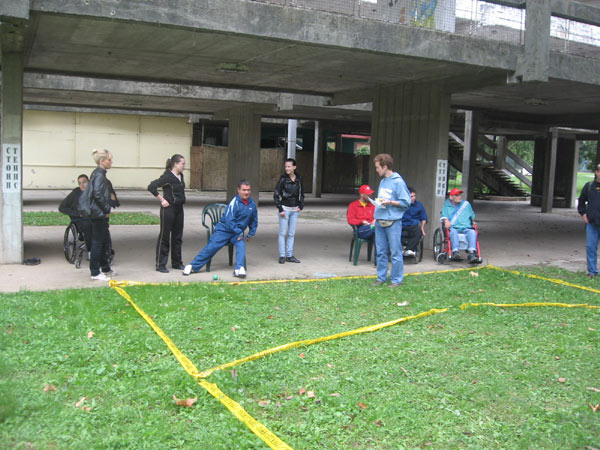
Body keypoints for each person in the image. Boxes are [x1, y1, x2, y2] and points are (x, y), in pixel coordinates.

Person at [183, 180, 257, 278]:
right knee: (211, 247)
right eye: (244, 190)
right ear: (238, 190)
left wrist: (251, 233)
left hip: (236, 233)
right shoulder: (234, 203)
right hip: (224, 230)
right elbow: (230, 221)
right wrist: (239, 233)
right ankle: (193, 266)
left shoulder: (252, 204)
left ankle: (239, 269)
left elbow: (254, 220)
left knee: (241, 245)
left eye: (248, 190)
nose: (246, 192)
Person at [372, 153, 411, 288]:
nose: (376, 170)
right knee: (380, 252)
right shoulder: (383, 181)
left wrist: (390, 202)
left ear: (385, 167)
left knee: (395, 252)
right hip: (380, 220)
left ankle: (396, 280)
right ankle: (381, 278)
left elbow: (406, 202)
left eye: (378, 167)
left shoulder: (398, 182)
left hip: (393, 222)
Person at [82, 149, 118, 281]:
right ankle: (95, 272)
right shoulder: (99, 175)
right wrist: (106, 208)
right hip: (98, 214)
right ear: (102, 161)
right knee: (98, 243)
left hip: (98, 213)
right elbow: (97, 194)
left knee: (103, 241)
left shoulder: (98, 174)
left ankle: (105, 268)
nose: (111, 162)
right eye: (109, 159)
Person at [148, 154, 186, 273]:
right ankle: (160, 264)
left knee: (177, 237)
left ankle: (177, 262)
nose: (184, 166)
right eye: (182, 164)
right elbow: (152, 186)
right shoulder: (167, 176)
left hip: (179, 208)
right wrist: (162, 199)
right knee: (165, 236)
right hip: (168, 209)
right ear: (175, 164)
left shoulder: (181, 176)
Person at [274, 158, 304, 264]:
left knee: (291, 234)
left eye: (289, 166)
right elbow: (276, 194)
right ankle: (282, 256)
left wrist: (301, 205)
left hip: (295, 210)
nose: (287, 168)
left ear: (294, 167)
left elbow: (301, 193)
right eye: (286, 166)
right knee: (282, 233)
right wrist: (280, 209)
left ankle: (289, 255)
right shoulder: (283, 179)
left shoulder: (299, 179)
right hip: (285, 210)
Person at [440, 188, 477, 262]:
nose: (459, 197)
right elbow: (444, 215)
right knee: (453, 232)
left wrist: (473, 221)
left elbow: (472, 215)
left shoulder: (466, 204)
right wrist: (446, 220)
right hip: (453, 227)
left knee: (472, 232)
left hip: (465, 227)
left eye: (460, 195)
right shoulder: (447, 205)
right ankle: (455, 252)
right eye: (457, 195)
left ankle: (472, 253)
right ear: (451, 197)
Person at [577, 164, 600, 278]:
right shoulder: (589, 186)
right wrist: (583, 213)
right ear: (597, 172)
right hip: (592, 223)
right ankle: (592, 271)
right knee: (591, 247)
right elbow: (581, 201)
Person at [59, 174, 92, 251]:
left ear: (89, 182)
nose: (82, 185)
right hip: (80, 220)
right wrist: (77, 213)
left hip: (92, 218)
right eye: (79, 183)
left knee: (101, 225)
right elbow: (62, 208)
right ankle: (91, 248)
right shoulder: (75, 193)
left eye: (84, 182)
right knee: (88, 225)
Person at [401, 187, 428, 257]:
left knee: (418, 230)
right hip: (402, 224)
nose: (413, 198)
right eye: (411, 196)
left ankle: (409, 249)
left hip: (413, 225)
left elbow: (424, 218)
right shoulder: (401, 204)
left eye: (414, 196)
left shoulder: (419, 205)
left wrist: (422, 228)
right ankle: (398, 249)